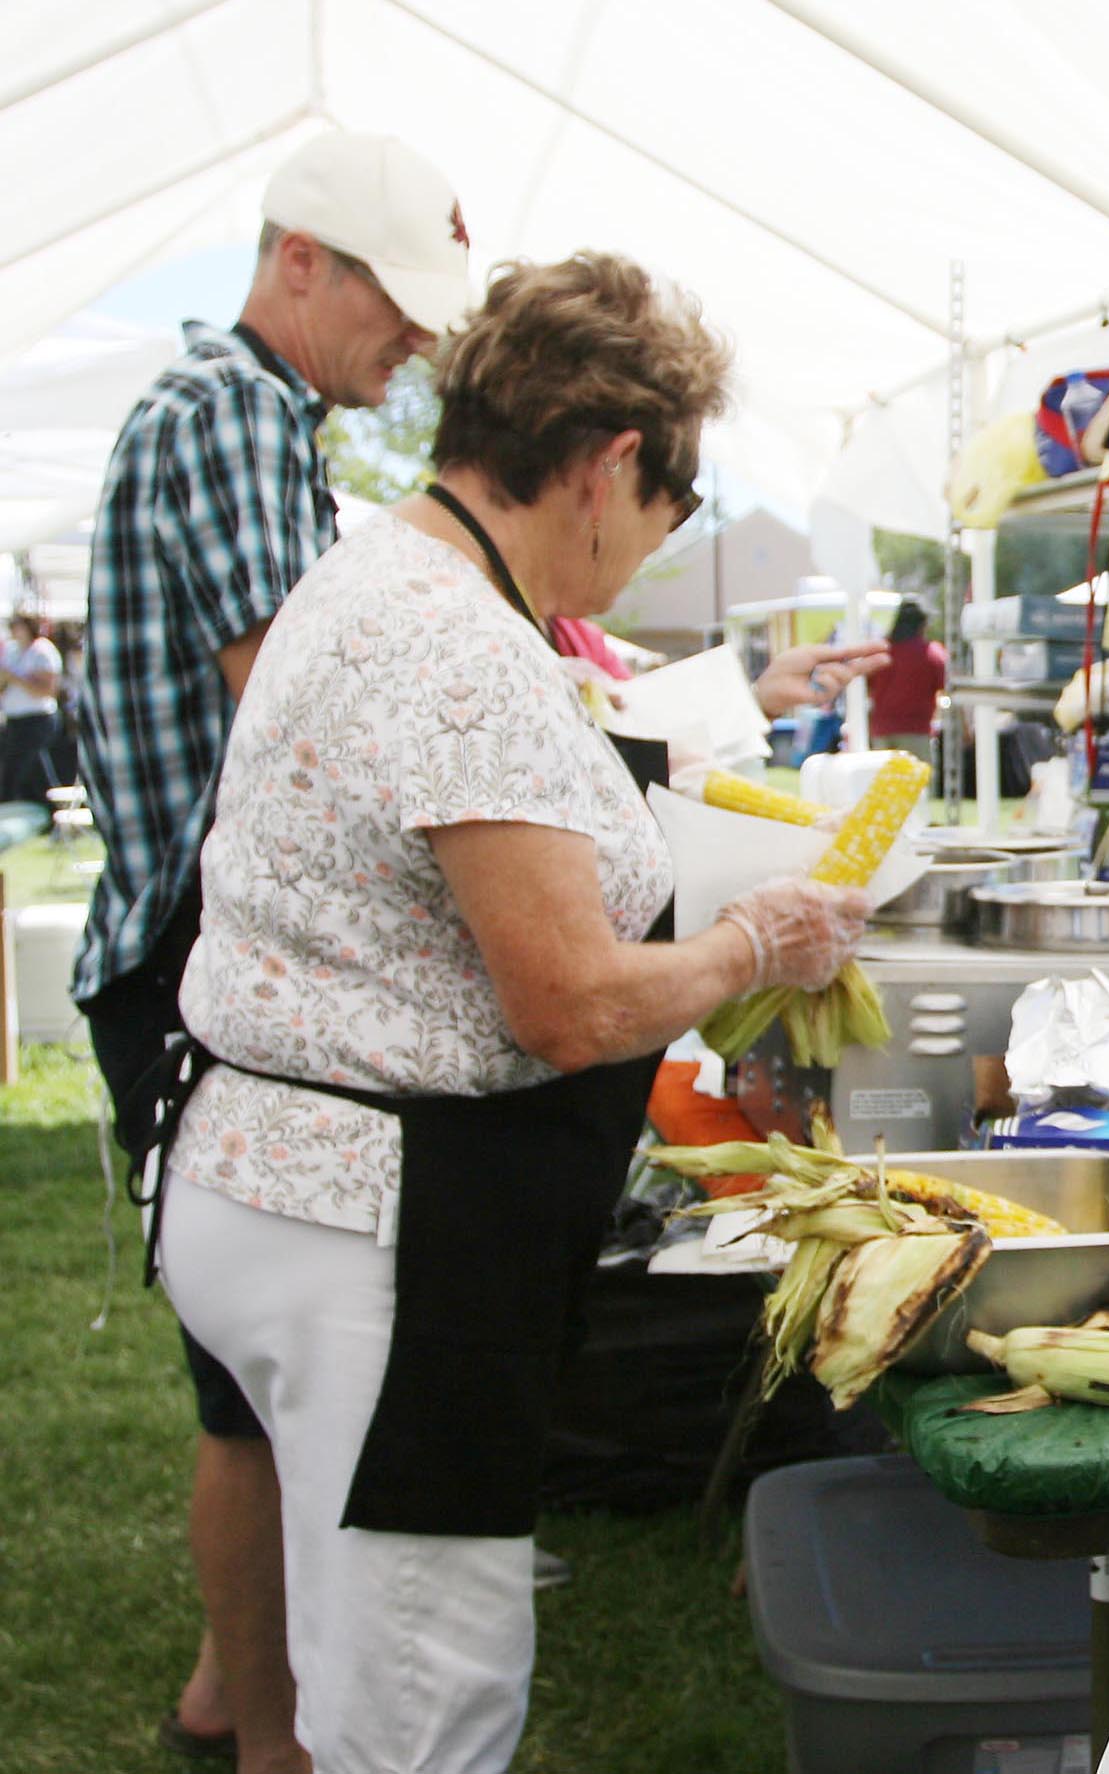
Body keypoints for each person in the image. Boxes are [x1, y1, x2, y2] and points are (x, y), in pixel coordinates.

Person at [146, 250, 870, 1771]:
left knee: (364, 1641)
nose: (647, 560)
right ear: (611, 465)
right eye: (667, 516)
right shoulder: (456, 644)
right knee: (427, 1687)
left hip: (270, 1168)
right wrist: (754, 939)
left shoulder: (390, 571)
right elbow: (566, 1003)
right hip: (380, 1219)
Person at [73, 128, 468, 1773]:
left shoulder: (248, 413)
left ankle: (232, 1690)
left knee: (264, 1368)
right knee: (257, 1385)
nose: (417, 341)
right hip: (199, 957)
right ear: (298, 259)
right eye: (398, 299)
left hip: (183, 942)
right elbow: (299, 703)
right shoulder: (232, 410)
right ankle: (272, 1735)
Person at [866, 598, 947, 763]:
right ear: (923, 624)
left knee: (884, 784)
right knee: (917, 785)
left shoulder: (880, 650)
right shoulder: (931, 654)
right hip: (915, 731)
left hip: (881, 730)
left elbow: (867, 685)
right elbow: (947, 686)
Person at [1, 612, 62, 804]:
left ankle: (8, 804)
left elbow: (47, 691)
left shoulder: (42, 651)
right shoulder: (11, 650)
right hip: (14, 719)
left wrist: (14, 678)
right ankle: (50, 809)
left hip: (38, 719)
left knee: (15, 769)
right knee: (36, 772)